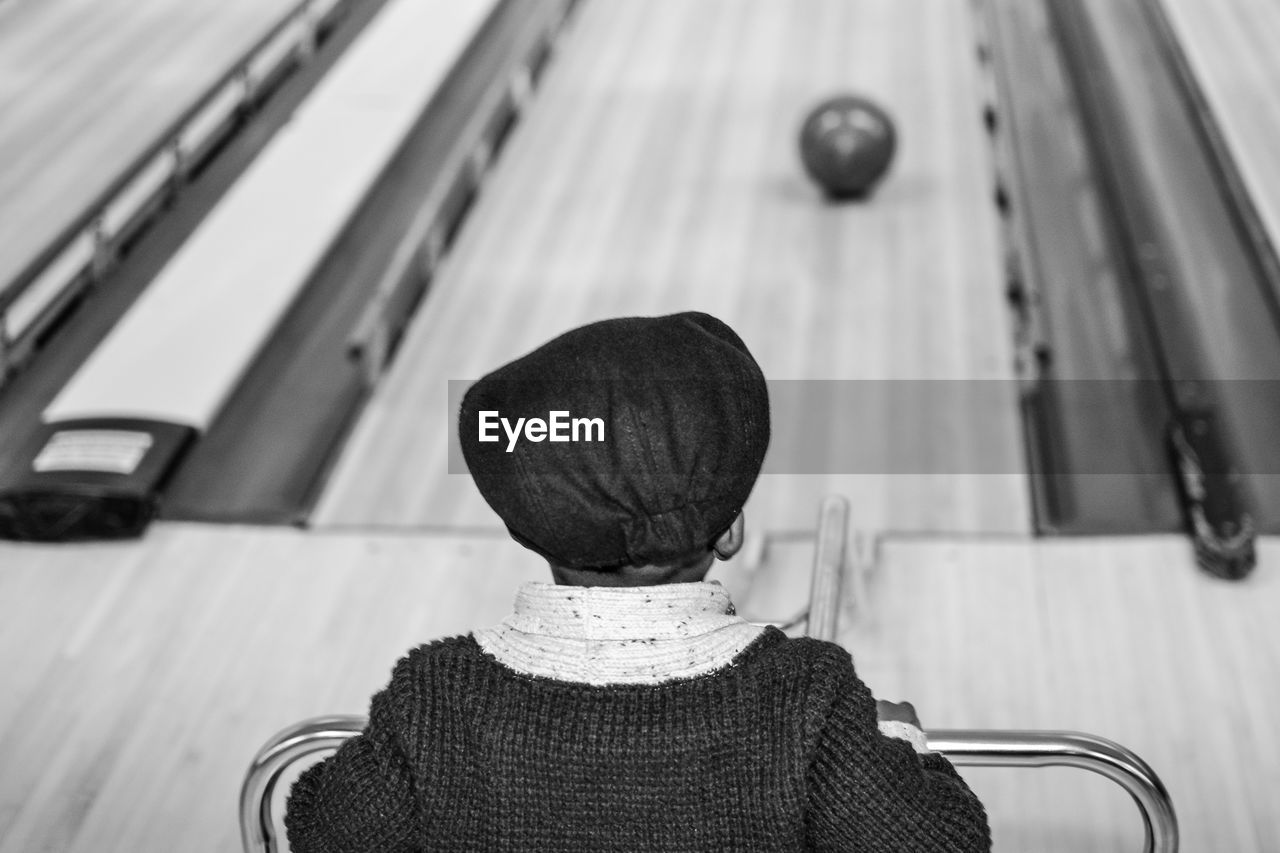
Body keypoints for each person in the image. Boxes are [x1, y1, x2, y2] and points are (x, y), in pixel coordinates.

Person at [285, 311, 991, 852]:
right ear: (731, 530)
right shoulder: (808, 695)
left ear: (524, 527)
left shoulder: (431, 695)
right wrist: (904, 740)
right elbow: (946, 842)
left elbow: (323, 828)